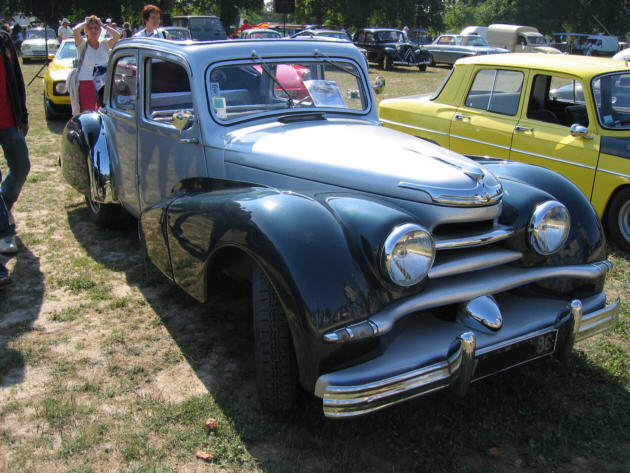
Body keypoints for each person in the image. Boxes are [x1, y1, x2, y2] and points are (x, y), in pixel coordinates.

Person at [0, 27, 30, 282]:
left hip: (9, 119)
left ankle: (4, 205)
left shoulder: (5, 40)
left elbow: (17, 80)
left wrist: (24, 115)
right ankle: (5, 231)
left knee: (21, 167)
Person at [72, 16, 120, 112]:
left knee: (103, 112)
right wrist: (86, 22)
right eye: (90, 28)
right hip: (86, 82)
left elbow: (117, 36)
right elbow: (75, 31)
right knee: (87, 112)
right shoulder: (82, 44)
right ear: (86, 31)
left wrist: (103, 25)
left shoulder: (104, 44)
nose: (93, 31)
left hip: (102, 83)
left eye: (96, 28)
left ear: (99, 31)